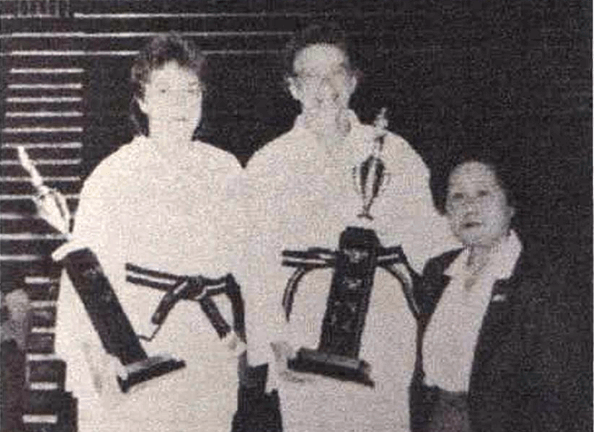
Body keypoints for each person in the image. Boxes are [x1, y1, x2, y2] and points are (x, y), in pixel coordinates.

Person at [239, 22, 455, 432]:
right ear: (292, 87)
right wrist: (274, 340)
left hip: (384, 319)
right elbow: (256, 262)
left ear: (354, 81)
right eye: (311, 75)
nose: (326, 85)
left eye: (336, 72)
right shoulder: (267, 164)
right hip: (302, 323)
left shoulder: (393, 150)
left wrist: (479, 253)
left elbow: (428, 237)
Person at [54, 33, 244, 432]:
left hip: (208, 341)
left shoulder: (227, 171)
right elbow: (83, 281)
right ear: (142, 100)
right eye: (165, 90)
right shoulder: (112, 176)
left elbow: (254, 264)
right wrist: (95, 358)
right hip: (138, 341)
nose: (180, 103)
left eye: (191, 90)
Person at [409, 155, 587, 432]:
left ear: (510, 203)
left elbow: (558, 395)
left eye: (483, 193)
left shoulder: (543, 279)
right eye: (457, 196)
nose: (469, 207)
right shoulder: (437, 272)